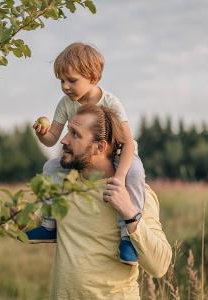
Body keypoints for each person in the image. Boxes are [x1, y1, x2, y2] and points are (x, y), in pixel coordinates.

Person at [29, 42, 145, 265]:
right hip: (87, 157)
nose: (65, 86)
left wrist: (119, 177)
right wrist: (41, 134)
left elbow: (128, 143)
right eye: (61, 81)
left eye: (72, 80)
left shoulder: (110, 102)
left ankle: (128, 237)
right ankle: (49, 224)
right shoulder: (66, 103)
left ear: (93, 78)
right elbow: (52, 138)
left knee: (135, 175)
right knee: (50, 168)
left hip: (122, 154)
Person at [39, 104, 171, 299]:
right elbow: (35, 221)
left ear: (100, 147)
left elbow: (160, 266)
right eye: (68, 131)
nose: (64, 140)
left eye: (75, 134)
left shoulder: (135, 194)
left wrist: (130, 214)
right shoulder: (64, 187)